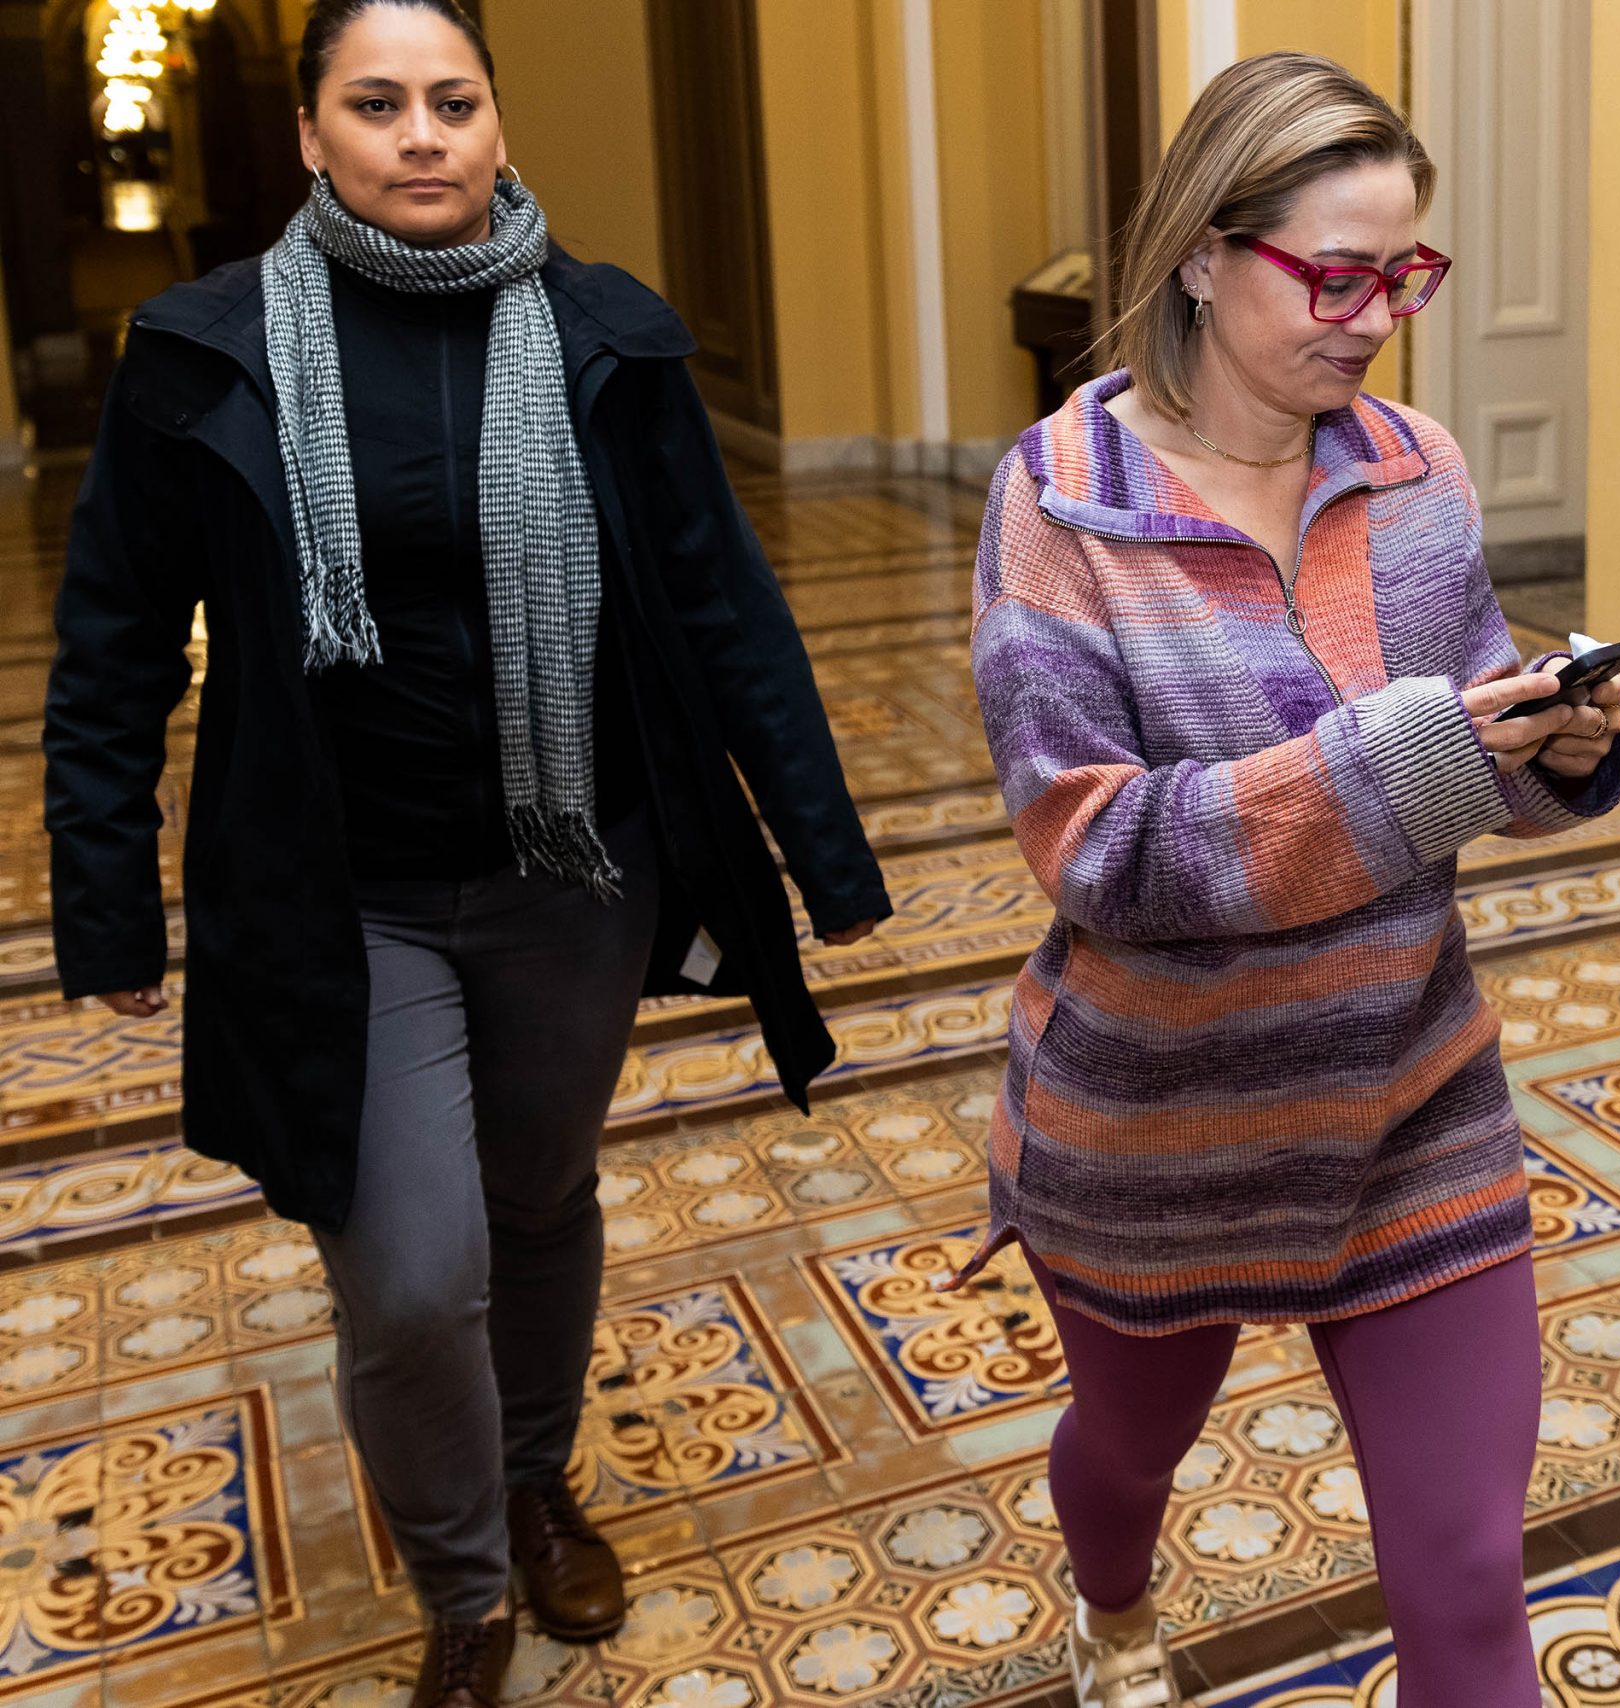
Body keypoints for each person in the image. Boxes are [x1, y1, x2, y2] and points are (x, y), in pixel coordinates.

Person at [41, 3, 891, 1703]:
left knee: (538, 1195)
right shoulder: (205, 353)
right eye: (378, 104)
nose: (419, 135)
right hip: (333, 885)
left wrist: (826, 854)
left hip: (571, 869)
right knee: (417, 1267)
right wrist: (105, 897)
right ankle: (463, 1578)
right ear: (310, 135)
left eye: (452, 100)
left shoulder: (604, 337)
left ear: (496, 122)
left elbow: (726, 607)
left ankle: (530, 1470)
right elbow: (118, 640)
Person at [962, 51, 1620, 1708]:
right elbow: (1100, 847)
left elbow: (1470, 711)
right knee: (1126, 1457)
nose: (1376, 317)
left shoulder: (1418, 469)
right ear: (1204, 248)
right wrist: (1404, 762)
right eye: (1338, 274)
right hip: (1157, 1127)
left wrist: (1556, 744)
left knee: (1472, 1582)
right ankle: (1113, 1609)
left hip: (1412, 1098)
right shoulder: (1062, 505)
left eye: (1408, 273)